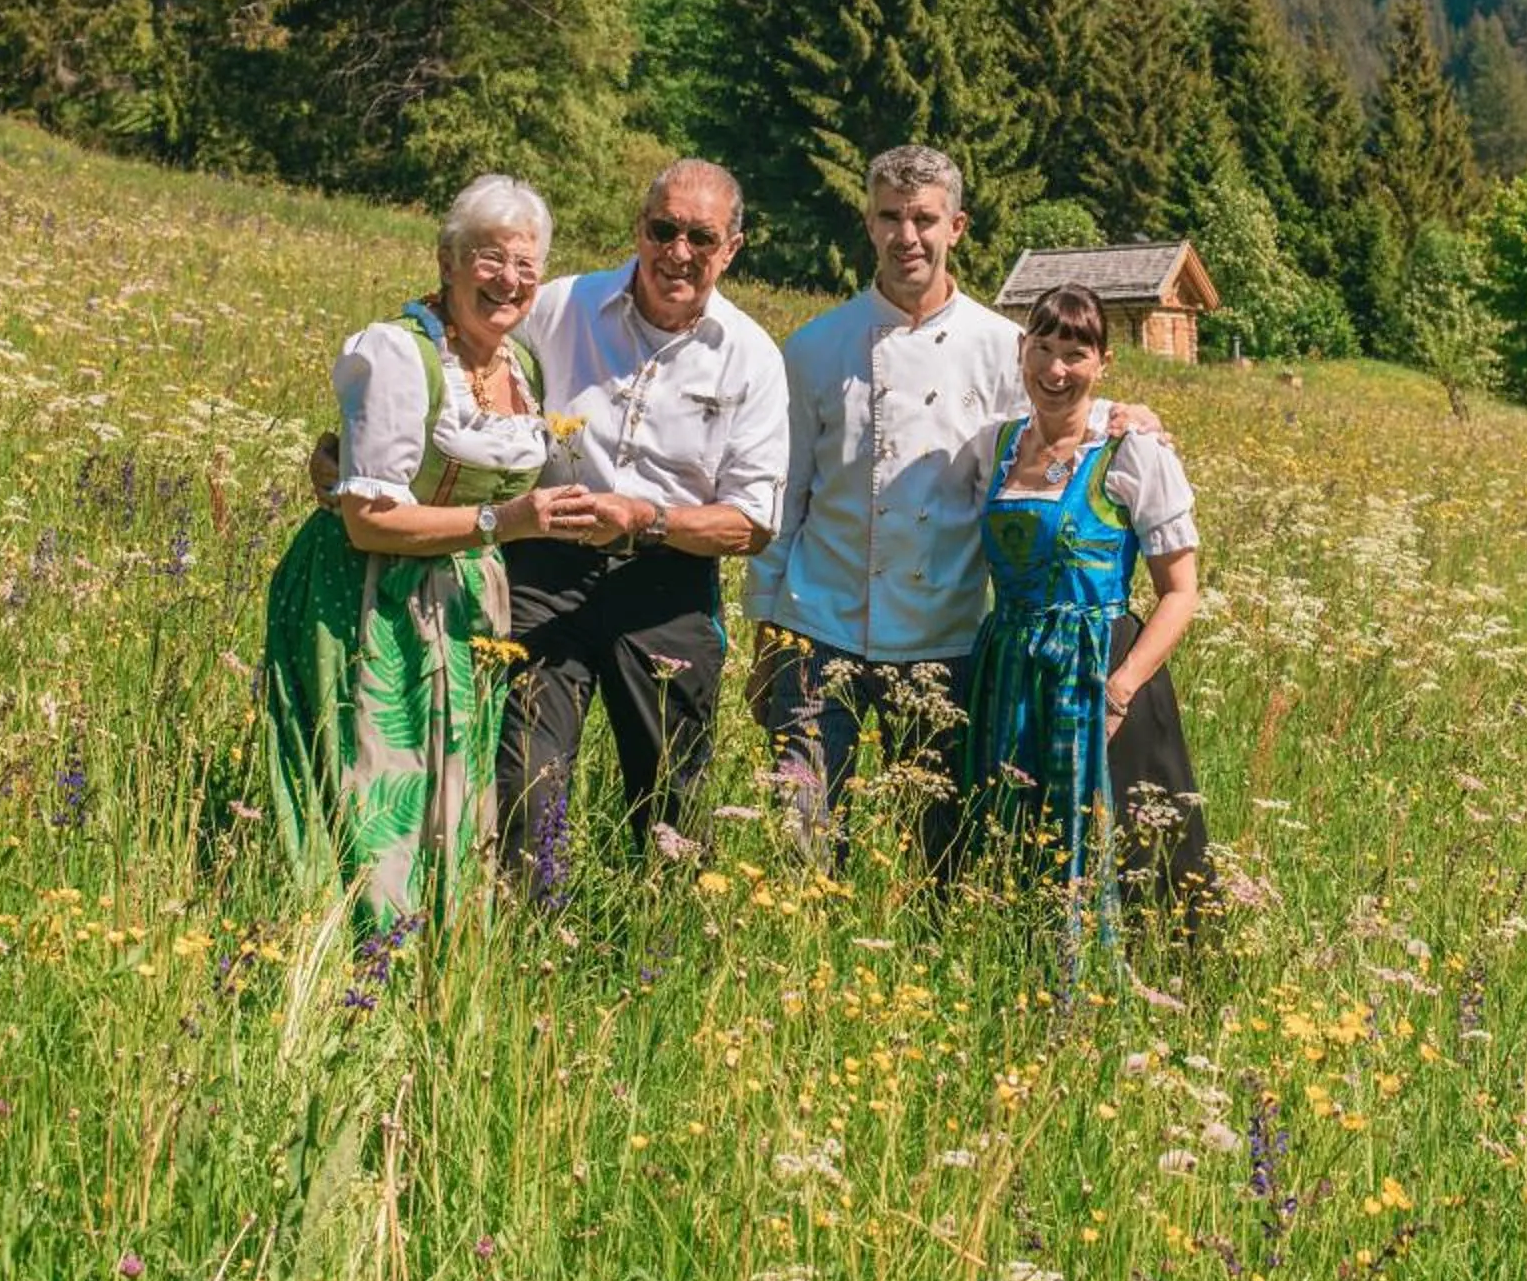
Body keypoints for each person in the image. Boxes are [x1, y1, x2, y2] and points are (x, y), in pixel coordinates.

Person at [747, 145, 1165, 862]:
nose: (907, 236)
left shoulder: (1003, 346)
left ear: (958, 226)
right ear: (869, 224)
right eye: (890, 217)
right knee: (801, 843)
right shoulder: (816, 348)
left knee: (944, 857)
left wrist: (1127, 416)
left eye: (924, 219)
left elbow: (1057, 423)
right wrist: (765, 627)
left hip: (945, 639)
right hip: (817, 628)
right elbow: (786, 500)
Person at [262, 175, 599, 931]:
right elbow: (369, 522)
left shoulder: (525, 366)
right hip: (371, 595)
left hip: (466, 608)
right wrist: (501, 521)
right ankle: (353, 970)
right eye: (489, 258)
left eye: (526, 266)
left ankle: (436, 977)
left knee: (453, 791)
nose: (507, 280)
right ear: (448, 260)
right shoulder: (395, 352)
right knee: (377, 783)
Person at [497, 159, 789, 872]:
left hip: (669, 581)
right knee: (526, 780)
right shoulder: (563, 305)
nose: (678, 251)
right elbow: (466, 332)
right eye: (663, 229)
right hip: (547, 565)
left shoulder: (750, 357)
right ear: (640, 227)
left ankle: (656, 951)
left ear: (733, 248)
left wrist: (645, 519)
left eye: (701, 236)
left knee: (671, 798)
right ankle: (523, 937)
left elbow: (751, 525)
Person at [944, 283, 1210, 968]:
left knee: (1119, 834)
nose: (1056, 370)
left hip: (1102, 666)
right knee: (1015, 827)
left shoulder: (1133, 454)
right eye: (1044, 348)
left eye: (1076, 353)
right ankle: (1021, 976)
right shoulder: (993, 449)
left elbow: (1181, 593)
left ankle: (1139, 988)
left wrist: (1121, 689)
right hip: (1009, 665)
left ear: (1104, 363)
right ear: (1022, 350)